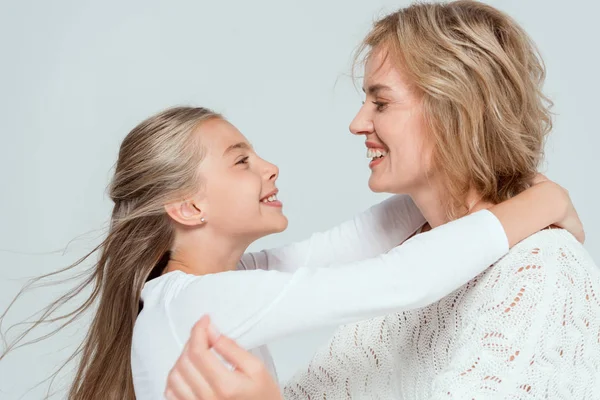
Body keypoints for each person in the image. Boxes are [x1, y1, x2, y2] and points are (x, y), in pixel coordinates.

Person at [164, 1, 599, 399]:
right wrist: (547, 200)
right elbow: (394, 270)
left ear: (456, 111)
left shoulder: (541, 273)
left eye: (381, 102)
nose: (357, 123)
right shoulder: (410, 261)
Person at [0, 104, 577, 400]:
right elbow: (397, 280)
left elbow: (352, 245)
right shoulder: (199, 304)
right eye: (240, 160)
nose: (269, 167)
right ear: (188, 207)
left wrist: (441, 172)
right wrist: (548, 198)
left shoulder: (211, 288)